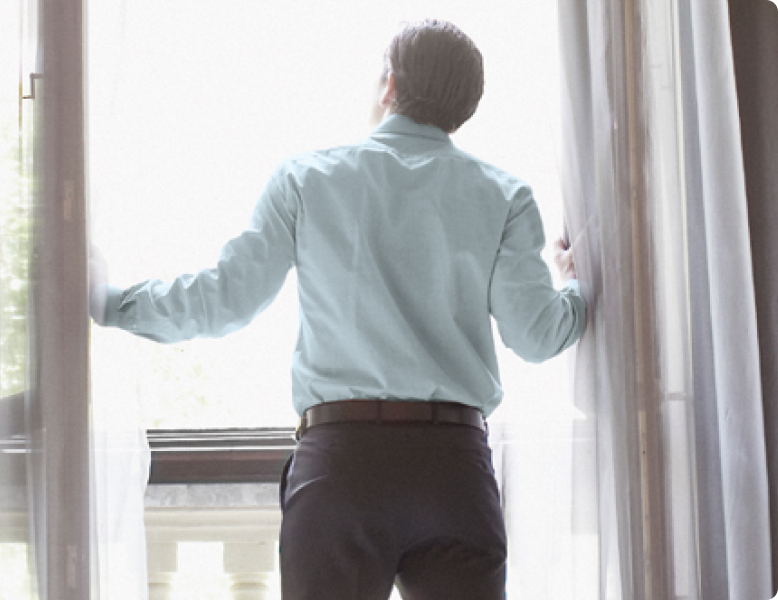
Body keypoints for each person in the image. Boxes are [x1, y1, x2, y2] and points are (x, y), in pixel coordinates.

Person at [89, 19, 585, 600]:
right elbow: (537, 336)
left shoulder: (307, 180)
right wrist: (576, 285)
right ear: (464, 109)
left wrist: (110, 304)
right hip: (454, 468)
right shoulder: (505, 195)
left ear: (389, 85)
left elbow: (224, 300)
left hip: (342, 465)